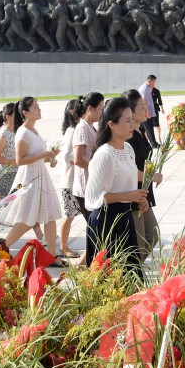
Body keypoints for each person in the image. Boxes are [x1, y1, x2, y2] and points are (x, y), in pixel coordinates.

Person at [83, 97, 149, 276]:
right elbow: (92, 199)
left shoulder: (128, 148)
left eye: (132, 119)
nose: (132, 124)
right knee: (110, 282)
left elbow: (128, 180)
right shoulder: (104, 155)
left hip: (125, 220)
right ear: (112, 124)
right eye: (127, 121)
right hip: (106, 224)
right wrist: (129, 196)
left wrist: (140, 200)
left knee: (131, 277)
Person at [0, 97, 62, 256]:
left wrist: (50, 158)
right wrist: (44, 155)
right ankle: (0, 249)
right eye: (35, 107)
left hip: (41, 176)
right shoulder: (23, 132)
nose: (39, 109)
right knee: (27, 219)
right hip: (30, 179)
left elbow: (37, 156)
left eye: (38, 106)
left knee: (50, 215)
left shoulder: (33, 130)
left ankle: (52, 256)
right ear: (25, 113)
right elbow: (20, 160)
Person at [123, 89, 161, 258]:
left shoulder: (141, 131)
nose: (146, 110)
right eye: (142, 107)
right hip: (134, 193)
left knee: (152, 236)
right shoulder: (129, 137)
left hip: (143, 191)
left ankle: (133, 272)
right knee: (141, 240)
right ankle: (131, 275)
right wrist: (150, 176)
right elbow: (127, 170)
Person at [54, 100, 82, 259]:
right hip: (70, 182)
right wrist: (81, 159)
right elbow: (66, 156)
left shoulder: (75, 128)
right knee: (69, 214)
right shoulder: (73, 130)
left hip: (74, 181)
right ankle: (63, 246)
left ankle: (64, 245)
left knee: (71, 214)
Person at [72, 93, 105, 223]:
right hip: (85, 186)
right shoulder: (82, 128)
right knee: (95, 227)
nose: (102, 113)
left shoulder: (91, 127)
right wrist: (96, 169)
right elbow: (78, 159)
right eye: (100, 109)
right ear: (90, 108)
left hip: (93, 183)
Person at [0, 103, 18, 209]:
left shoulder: (17, 132)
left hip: (15, 175)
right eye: (17, 114)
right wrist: (15, 163)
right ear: (8, 117)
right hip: (4, 177)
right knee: (1, 210)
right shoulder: (4, 134)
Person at [138, 75, 159, 147]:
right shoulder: (144, 89)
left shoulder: (147, 88)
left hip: (146, 111)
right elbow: (144, 101)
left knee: (142, 128)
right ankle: (153, 144)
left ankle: (143, 142)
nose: (154, 84)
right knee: (149, 127)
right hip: (145, 112)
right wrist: (147, 112)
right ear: (149, 81)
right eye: (154, 82)